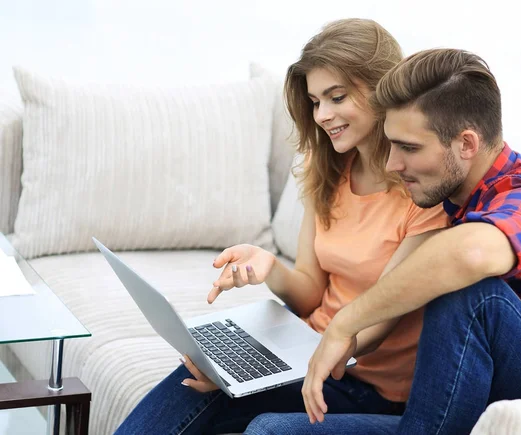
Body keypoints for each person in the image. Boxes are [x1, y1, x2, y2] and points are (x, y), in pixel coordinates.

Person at [114, 19, 448, 435]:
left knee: (245, 410)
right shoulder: (328, 169)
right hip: (307, 351)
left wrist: (297, 363)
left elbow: (377, 325)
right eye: (314, 102)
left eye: (336, 97)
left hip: (364, 385)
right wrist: (269, 268)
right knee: (194, 382)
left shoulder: (421, 191)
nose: (323, 115)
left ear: (382, 87)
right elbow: (310, 294)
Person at [243, 48, 521, 435]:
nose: (393, 164)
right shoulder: (453, 197)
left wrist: (345, 323)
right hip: (474, 404)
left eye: (409, 148)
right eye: (392, 143)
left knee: (469, 291)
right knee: (270, 430)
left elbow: (471, 254)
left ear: (467, 144)